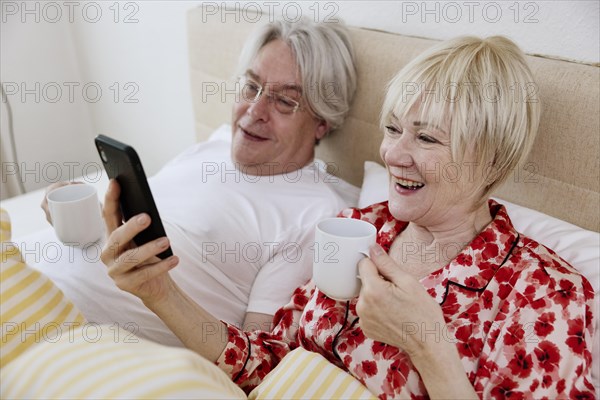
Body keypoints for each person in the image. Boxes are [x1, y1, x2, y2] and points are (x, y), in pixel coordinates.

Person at [102, 35, 596, 398]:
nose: (395, 155)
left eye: (425, 138)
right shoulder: (362, 227)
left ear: (491, 159)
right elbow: (266, 361)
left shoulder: (548, 296)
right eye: (393, 129)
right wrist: (158, 292)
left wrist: (428, 348)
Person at [39, 17, 358, 346]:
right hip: (30, 271)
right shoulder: (213, 146)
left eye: (284, 101)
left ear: (322, 122)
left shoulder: (319, 214)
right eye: (251, 87)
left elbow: (258, 354)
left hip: (62, 332)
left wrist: (159, 292)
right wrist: (78, 214)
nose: (254, 110)